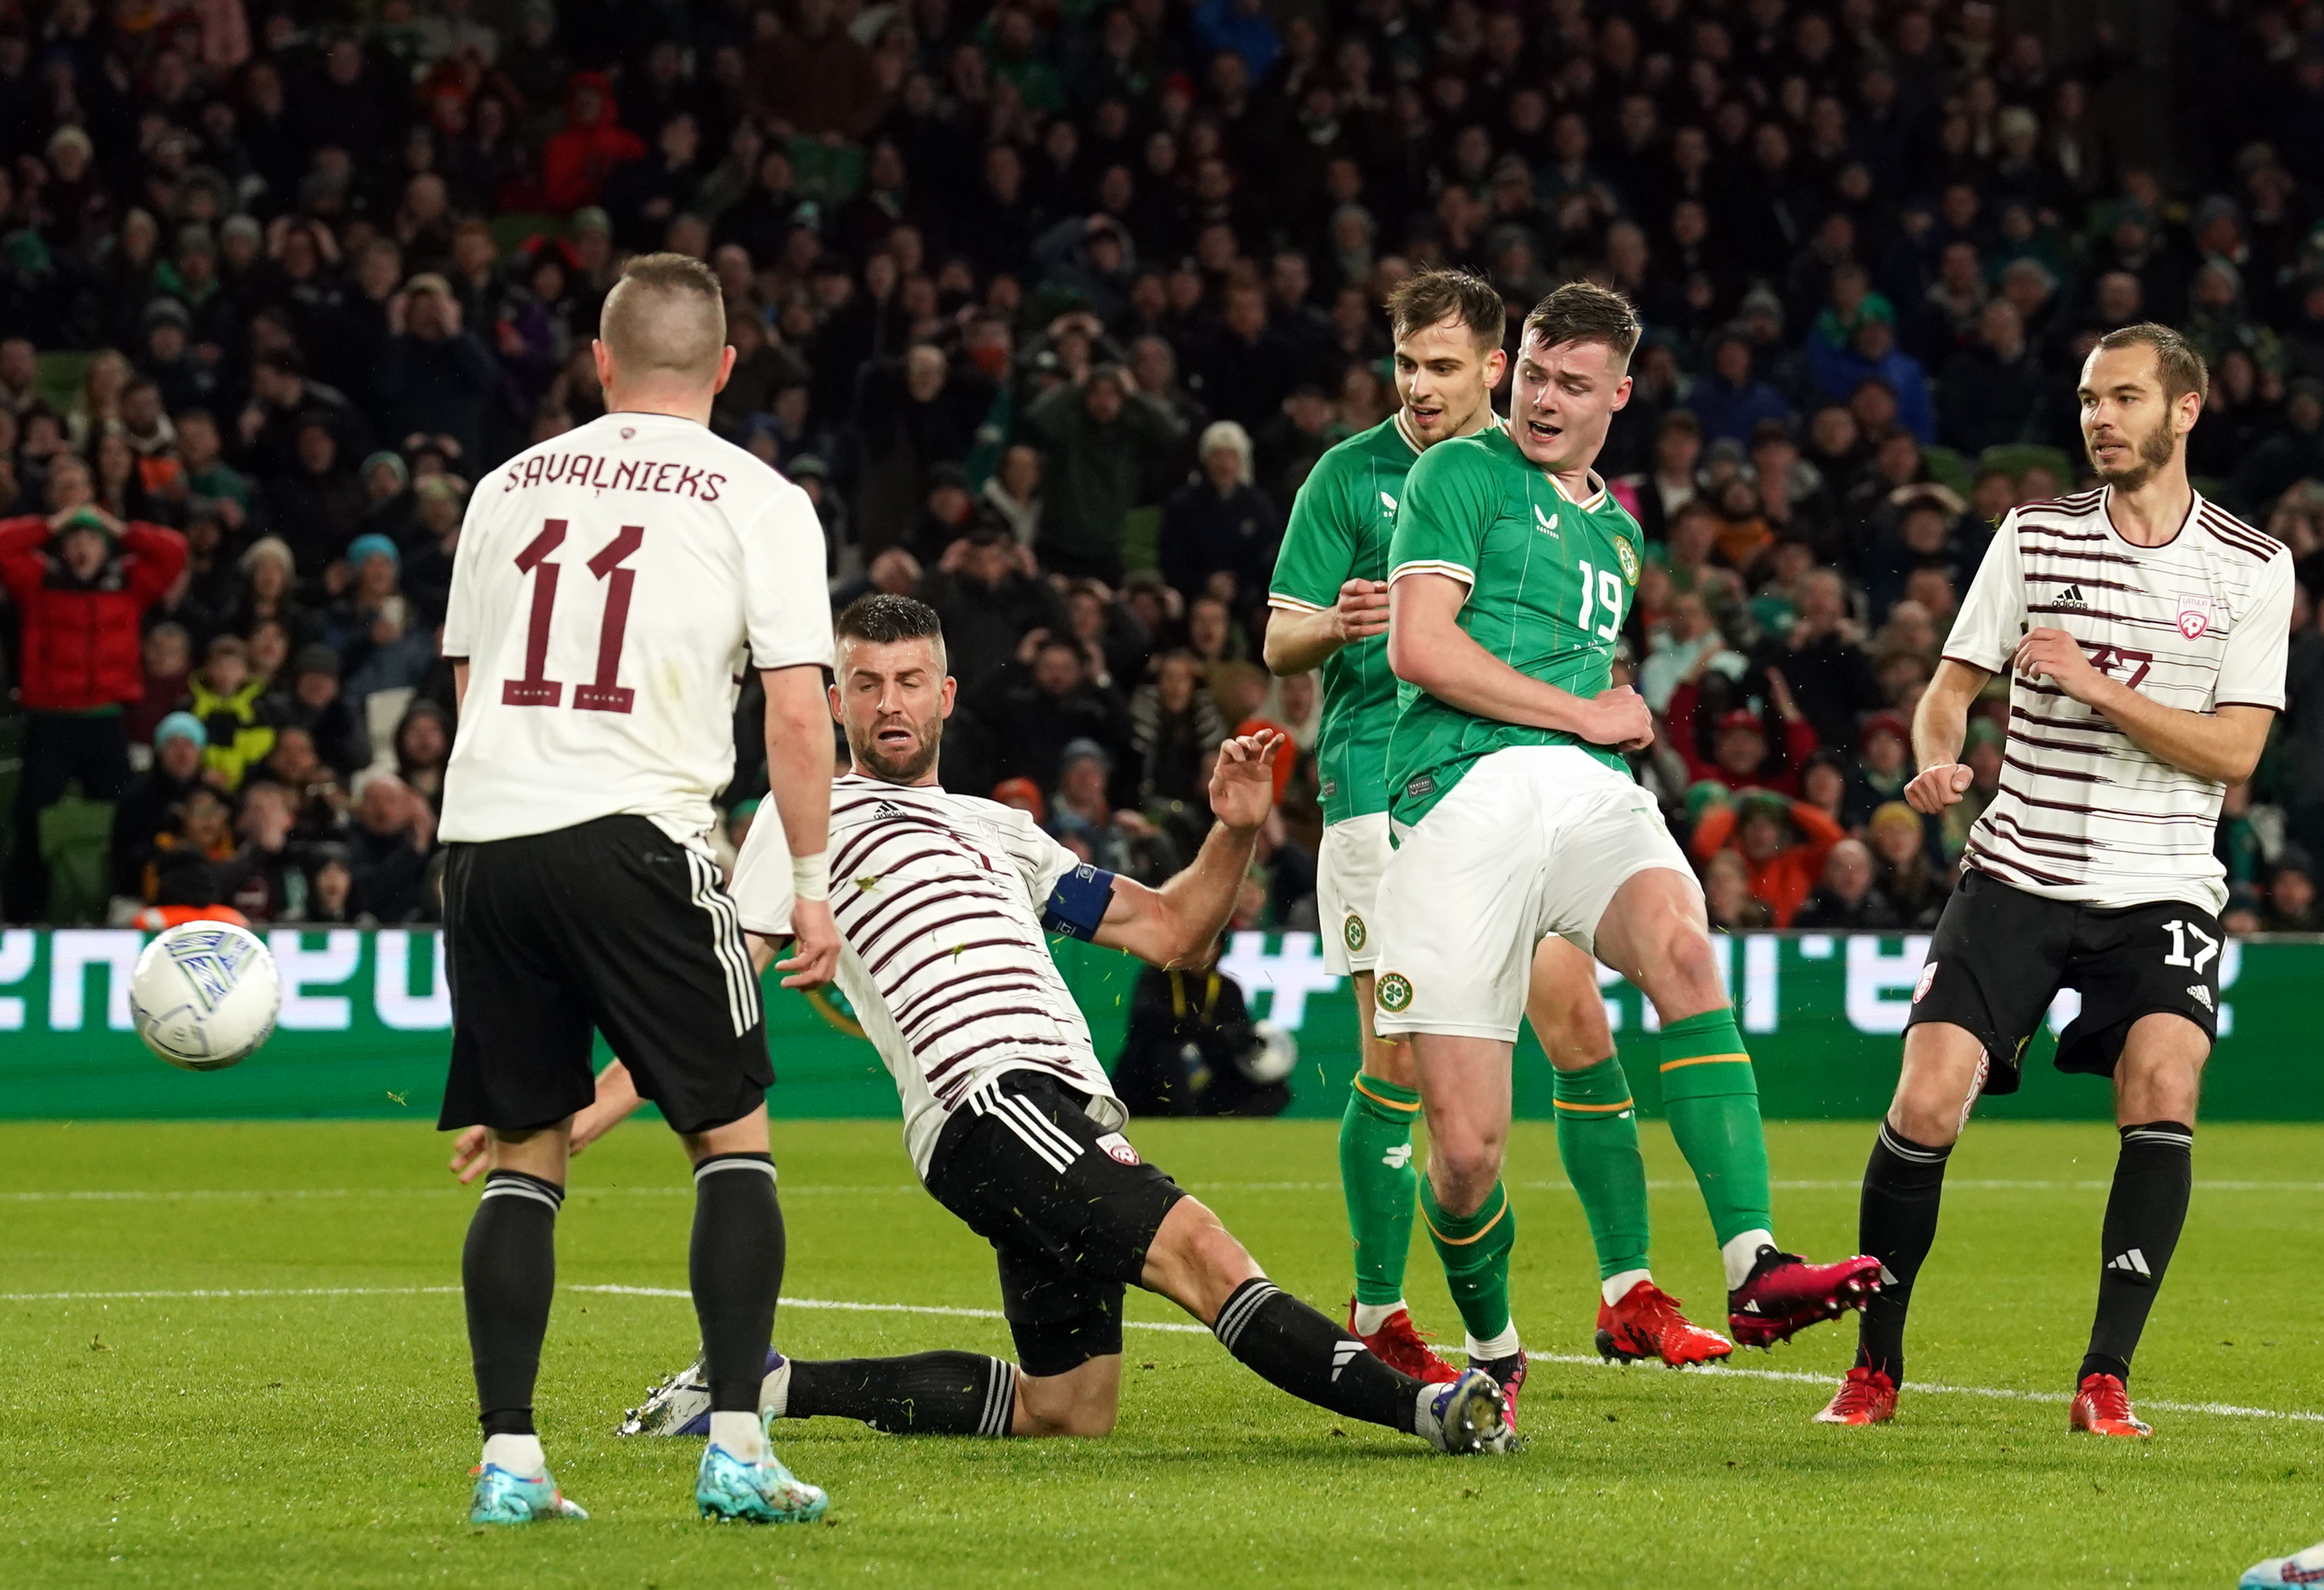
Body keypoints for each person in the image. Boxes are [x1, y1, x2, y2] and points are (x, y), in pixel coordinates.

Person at [567, 595, 1512, 1457]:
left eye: (906, 682)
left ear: (943, 695)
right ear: (837, 701)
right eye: (865, 684)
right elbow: (725, 973)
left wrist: (1230, 831)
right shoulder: (807, 810)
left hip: (1059, 1110)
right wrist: (594, 1108)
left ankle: (772, 1383)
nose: (888, 703)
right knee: (1204, 1253)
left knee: (1066, 1406)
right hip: (985, 1095)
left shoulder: (999, 828)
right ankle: (1430, 1410)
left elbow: (1174, 930)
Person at [1372, 283, 1879, 1425]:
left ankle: (1753, 1264)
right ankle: (1493, 1350)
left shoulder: (1619, 527)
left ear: (1620, 394)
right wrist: (1590, 709)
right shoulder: (1459, 475)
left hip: (1585, 791)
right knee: (1466, 1152)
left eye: (1573, 384)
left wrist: (1603, 715)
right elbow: (1420, 647)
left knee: (1684, 951)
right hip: (1459, 791)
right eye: (1535, 376)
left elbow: (1581, 684)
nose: (1545, 400)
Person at [1817, 323, 2293, 1437]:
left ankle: (2105, 1375)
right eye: (2088, 399)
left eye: (2124, 398)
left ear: (2185, 410)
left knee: (2164, 1088)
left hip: (2165, 879)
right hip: (2021, 867)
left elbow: (2234, 756)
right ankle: (1875, 1364)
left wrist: (2095, 685)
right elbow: (1952, 685)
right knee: (1927, 1100)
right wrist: (1935, 748)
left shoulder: (2252, 566)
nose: (2098, 419)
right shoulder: (2033, 537)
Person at [1265, 267, 1734, 1388]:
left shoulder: (1540, 488)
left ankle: (1627, 1292)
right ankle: (1380, 1307)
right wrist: (1340, 620)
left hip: (1519, 796)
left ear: (1495, 367)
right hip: (1384, 802)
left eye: (1441, 367)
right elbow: (1279, 637)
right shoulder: (1356, 475)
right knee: (1401, 1064)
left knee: (1581, 1028)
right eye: (1404, 366)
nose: (1418, 388)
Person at [433, 253, 841, 1527]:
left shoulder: (506, 485)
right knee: (731, 1136)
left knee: (525, 1152)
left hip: (485, 838)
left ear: (599, 363)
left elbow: (467, 681)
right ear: (726, 368)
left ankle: (509, 1461)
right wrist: (812, 882)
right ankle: (734, 1449)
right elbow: (793, 709)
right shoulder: (759, 498)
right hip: (637, 833)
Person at [0, 475, 187, 920]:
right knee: (31, 818)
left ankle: (124, 901)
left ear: (107, 546)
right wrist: (52, 522)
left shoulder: (128, 585)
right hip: (50, 720)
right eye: (75, 539)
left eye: (93, 539)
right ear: (62, 546)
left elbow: (174, 551)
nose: (83, 548)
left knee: (127, 815)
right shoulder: (39, 582)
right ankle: (22, 915)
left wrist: (121, 528)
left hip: (105, 719)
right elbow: (3, 544)